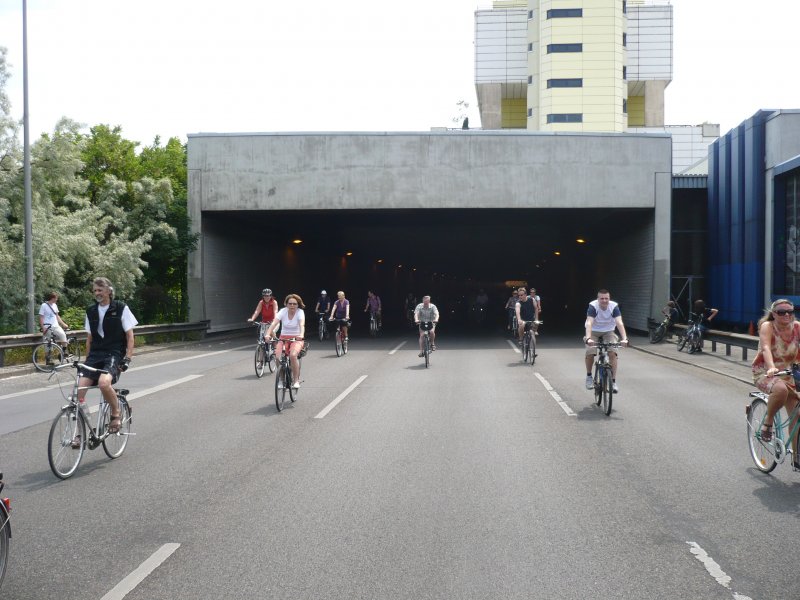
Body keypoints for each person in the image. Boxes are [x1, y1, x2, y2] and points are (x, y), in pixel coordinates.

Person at [77, 277, 137, 441]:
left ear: (109, 291)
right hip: (95, 354)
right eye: (95, 290)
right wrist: (86, 361)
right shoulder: (91, 311)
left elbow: (130, 336)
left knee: (104, 383)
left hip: (114, 353)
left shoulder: (120, 308)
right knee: (79, 391)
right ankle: (82, 430)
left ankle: (115, 413)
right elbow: (89, 338)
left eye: (100, 290)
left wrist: (127, 359)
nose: (97, 293)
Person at [752, 299, 800, 468]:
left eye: (790, 311)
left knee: (797, 414)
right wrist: (771, 367)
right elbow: (765, 347)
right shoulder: (768, 326)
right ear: (773, 314)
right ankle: (768, 424)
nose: (786, 314)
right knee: (780, 389)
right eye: (781, 312)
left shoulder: (797, 327)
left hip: (790, 374)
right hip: (765, 372)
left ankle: (797, 457)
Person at [583, 289, 629, 393]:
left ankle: (613, 382)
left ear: (609, 298)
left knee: (613, 352)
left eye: (606, 298)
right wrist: (589, 338)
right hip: (594, 331)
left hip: (609, 331)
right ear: (598, 299)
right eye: (602, 298)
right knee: (590, 352)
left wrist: (625, 338)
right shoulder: (593, 306)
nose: (604, 300)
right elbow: (589, 323)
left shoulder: (614, 306)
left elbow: (619, 322)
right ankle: (589, 376)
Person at [266, 294, 306, 389]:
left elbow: (302, 324)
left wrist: (301, 335)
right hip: (283, 338)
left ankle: (296, 380)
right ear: (286, 304)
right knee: (277, 357)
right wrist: (267, 334)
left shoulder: (300, 312)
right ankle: (281, 379)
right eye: (290, 303)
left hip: (296, 338)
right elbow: (274, 323)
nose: (292, 305)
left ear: (298, 305)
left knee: (292, 355)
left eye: (295, 304)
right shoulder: (282, 311)